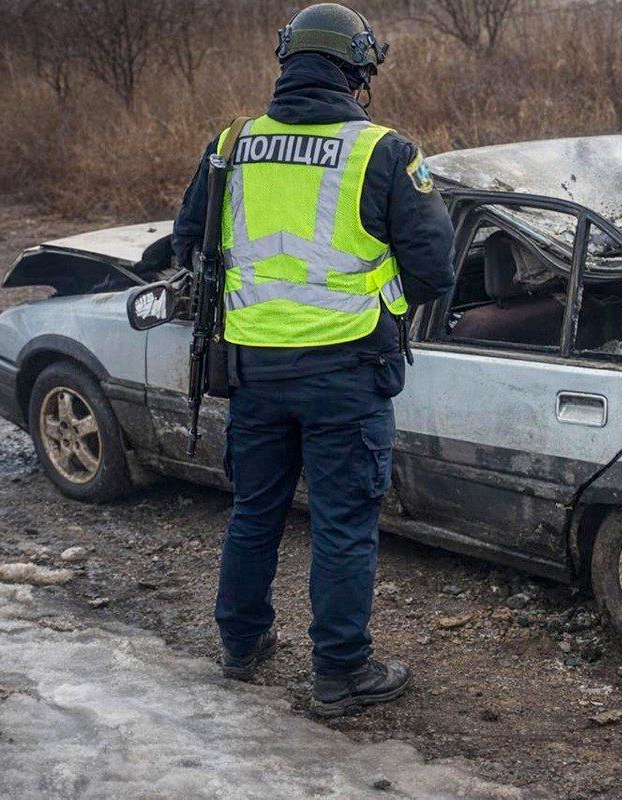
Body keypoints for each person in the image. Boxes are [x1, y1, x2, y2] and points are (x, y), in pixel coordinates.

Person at [172, 2, 455, 718]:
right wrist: (388, 305)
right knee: (341, 523)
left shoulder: (231, 143)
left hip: (253, 373)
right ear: (358, 71)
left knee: (255, 511)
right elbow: (434, 270)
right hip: (346, 373)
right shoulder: (384, 151)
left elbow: (188, 243)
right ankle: (340, 674)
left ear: (287, 60)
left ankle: (241, 647)